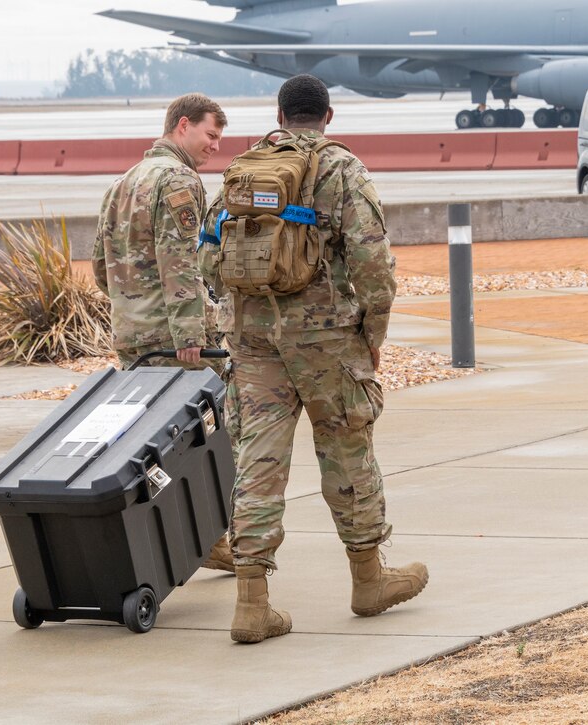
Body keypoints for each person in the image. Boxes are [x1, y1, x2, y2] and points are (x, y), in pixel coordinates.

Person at [200, 74, 429, 644]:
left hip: (253, 340)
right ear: (328, 117)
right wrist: (372, 331)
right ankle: (368, 579)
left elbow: (209, 258)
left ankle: (252, 603)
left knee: (257, 460)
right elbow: (374, 264)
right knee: (348, 448)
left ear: (279, 113)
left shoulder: (244, 168)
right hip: (327, 341)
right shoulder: (343, 169)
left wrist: (244, 308)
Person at [92, 92, 234, 572]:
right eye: (211, 135)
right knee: (210, 432)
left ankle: (143, 539)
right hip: (174, 340)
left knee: (143, 439)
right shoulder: (179, 179)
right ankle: (211, 536)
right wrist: (191, 335)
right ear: (183, 126)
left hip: (132, 335)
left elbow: (99, 267)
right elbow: (182, 263)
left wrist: (131, 304)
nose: (215, 146)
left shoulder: (123, 181)